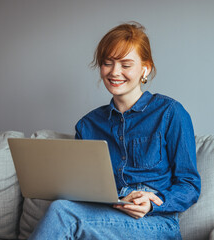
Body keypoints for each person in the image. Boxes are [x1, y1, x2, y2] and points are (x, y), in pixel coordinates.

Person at [29, 22, 201, 240]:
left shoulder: (170, 113)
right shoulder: (87, 125)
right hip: (103, 217)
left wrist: (150, 203)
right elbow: (83, 190)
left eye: (125, 65)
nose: (114, 72)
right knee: (63, 206)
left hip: (155, 223)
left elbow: (189, 185)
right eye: (107, 63)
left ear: (145, 68)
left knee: (62, 212)